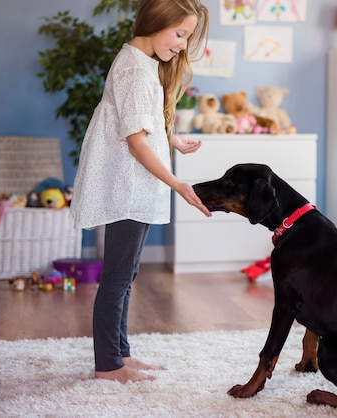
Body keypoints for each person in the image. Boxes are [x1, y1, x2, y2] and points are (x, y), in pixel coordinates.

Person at [70, 0, 211, 384]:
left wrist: (173, 139)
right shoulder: (133, 69)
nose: (183, 45)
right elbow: (135, 142)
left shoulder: (143, 64)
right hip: (128, 188)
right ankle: (108, 365)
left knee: (126, 274)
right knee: (117, 277)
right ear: (156, 22)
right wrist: (178, 183)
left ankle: (120, 354)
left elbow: (141, 121)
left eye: (187, 36)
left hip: (138, 187)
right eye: (180, 34)